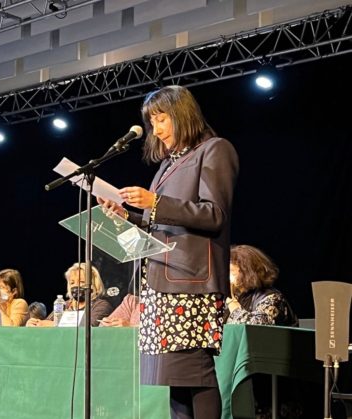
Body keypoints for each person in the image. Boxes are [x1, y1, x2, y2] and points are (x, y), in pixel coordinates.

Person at [99, 85, 238, 419]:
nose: (156, 129)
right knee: (175, 376)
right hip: (162, 280)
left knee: (196, 371)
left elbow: (214, 214)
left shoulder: (215, 149)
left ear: (182, 114)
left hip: (192, 280)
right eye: (152, 122)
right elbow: (161, 220)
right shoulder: (167, 165)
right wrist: (128, 216)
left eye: (162, 119)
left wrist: (155, 202)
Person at [226, 245, 297, 326]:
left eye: (231, 271)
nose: (226, 276)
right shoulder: (239, 297)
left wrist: (231, 302)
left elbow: (256, 327)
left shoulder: (271, 297)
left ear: (247, 272)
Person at [26, 262, 113, 327]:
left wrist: (53, 324)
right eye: (72, 283)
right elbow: (47, 322)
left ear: (94, 284)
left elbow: (89, 326)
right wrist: (35, 324)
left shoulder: (101, 305)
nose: (76, 286)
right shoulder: (64, 304)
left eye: (81, 282)